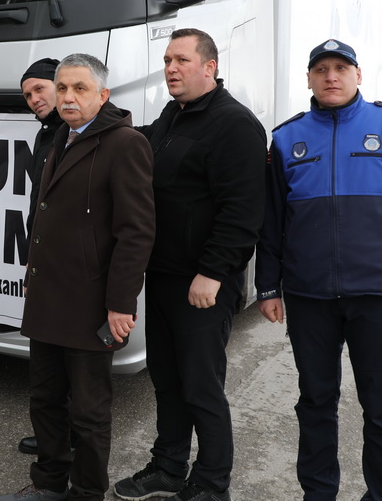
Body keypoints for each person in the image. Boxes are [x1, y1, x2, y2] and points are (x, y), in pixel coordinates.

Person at [256, 39, 382, 501]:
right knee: (316, 403)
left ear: (358, 75)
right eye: (321, 69)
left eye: (341, 67)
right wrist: (267, 286)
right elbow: (272, 221)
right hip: (309, 296)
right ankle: (318, 494)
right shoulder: (286, 138)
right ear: (309, 79)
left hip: (381, 295)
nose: (331, 76)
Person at [115, 29, 266, 501]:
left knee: (202, 389)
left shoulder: (235, 124)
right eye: (166, 60)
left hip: (202, 284)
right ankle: (168, 467)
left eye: (181, 59)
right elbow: (145, 148)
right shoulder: (172, 116)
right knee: (168, 383)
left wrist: (215, 272)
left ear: (210, 66)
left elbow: (243, 212)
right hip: (162, 277)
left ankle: (212, 483)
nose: (171, 68)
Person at [0, 54, 154, 501]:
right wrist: (32, 271)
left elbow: (136, 232)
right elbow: (45, 216)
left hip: (91, 304)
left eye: (79, 89)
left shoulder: (125, 143)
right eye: (62, 88)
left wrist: (121, 303)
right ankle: (49, 483)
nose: (68, 97)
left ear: (102, 95)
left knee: (88, 412)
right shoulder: (60, 137)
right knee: (45, 400)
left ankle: (86, 493)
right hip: (48, 296)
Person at [15, 57, 64, 457]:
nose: (33, 99)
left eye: (39, 90)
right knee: (46, 362)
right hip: (43, 262)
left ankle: (66, 447)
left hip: (70, 269)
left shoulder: (75, 133)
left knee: (67, 364)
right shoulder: (45, 135)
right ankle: (53, 438)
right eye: (27, 95)